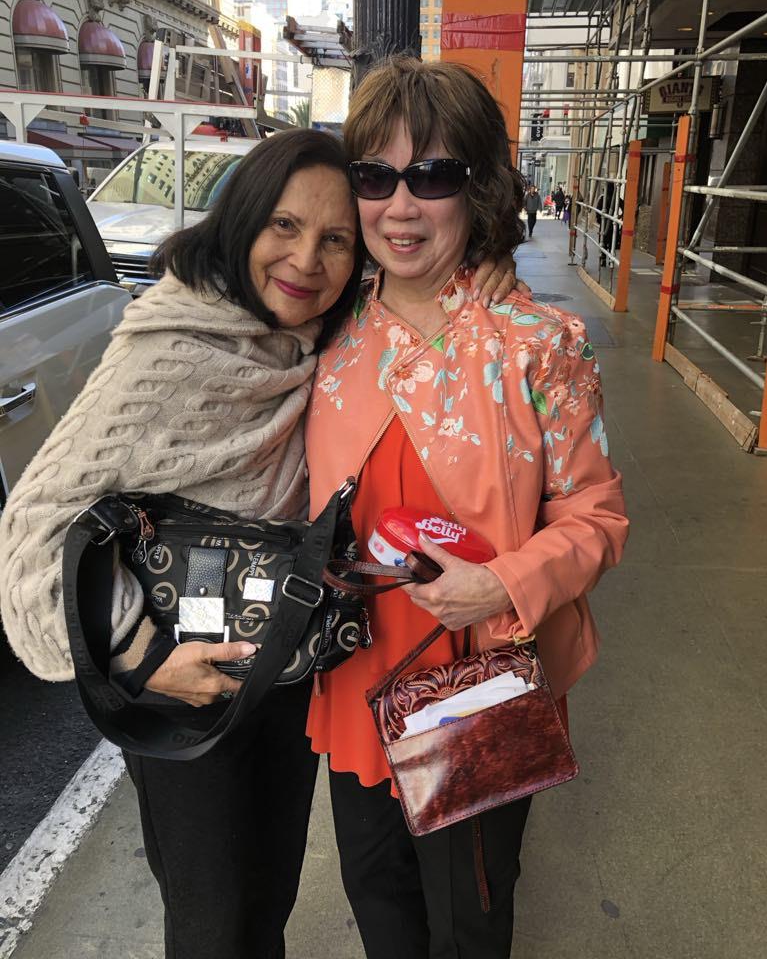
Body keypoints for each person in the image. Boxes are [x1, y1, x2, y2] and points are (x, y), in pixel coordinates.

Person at [0, 128, 519, 959]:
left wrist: (488, 267)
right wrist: (135, 656)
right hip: (182, 683)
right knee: (214, 924)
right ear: (241, 220)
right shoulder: (171, 351)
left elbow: (422, 271)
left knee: (270, 895)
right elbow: (32, 525)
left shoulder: (327, 339)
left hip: (281, 668)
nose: (306, 259)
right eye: (283, 225)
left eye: (334, 238)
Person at [305, 55, 629, 959]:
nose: (400, 207)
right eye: (375, 176)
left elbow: (598, 519)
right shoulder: (323, 332)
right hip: (354, 675)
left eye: (433, 175)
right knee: (379, 903)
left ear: (476, 188)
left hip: (478, 688)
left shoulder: (535, 345)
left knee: (470, 922)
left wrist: (501, 586)